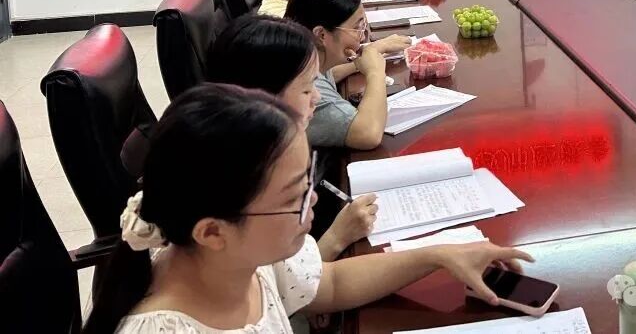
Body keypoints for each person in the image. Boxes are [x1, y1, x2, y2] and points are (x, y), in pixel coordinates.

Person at [83, 84, 532, 334]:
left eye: (307, 182)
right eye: (294, 197)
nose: (313, 199)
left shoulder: (242, 258)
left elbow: (328, 283)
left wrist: (440, 255)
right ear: (213, 232)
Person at [205, 15, 378, 261]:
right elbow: (290, 280)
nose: (317, 97)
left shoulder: (257, 145)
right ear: (263, 97)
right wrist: (337, 237)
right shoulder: (247, 186)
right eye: (307, 89)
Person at [285, 0, 410, 150]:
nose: (362, 36)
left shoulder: (302, 55)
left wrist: (371, 52)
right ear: (321, 35)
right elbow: (368, 134)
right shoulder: (307, 91)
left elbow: (331, 73)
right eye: (357, 28)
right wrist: (375, 73)